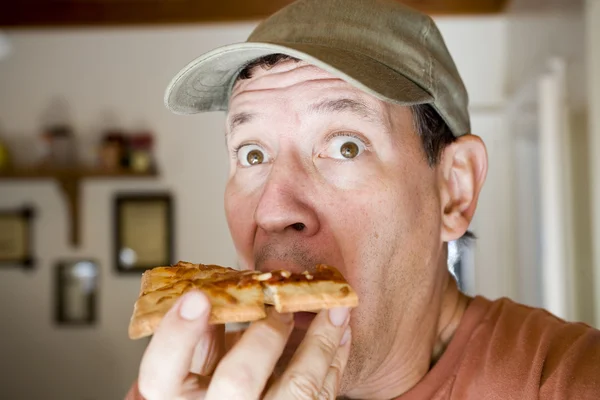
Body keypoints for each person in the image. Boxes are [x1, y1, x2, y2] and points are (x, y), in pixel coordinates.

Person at [126, 0, 600, 398]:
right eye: (252, 154)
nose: (273, 210)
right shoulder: (188, 385)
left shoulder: (568, 379)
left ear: (454, 190)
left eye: (345, 146)